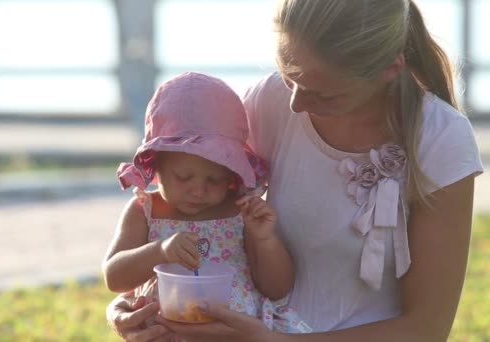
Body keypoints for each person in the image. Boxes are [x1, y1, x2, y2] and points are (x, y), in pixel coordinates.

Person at [107, 0, 484, 341]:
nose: (296, 102)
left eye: (324, 95)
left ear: (389, 70)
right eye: (289, 75)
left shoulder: (439, 138)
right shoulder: (270, 101)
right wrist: (125, 309)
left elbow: (425, 329)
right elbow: (196, 207)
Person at [103, 72, 311, 340]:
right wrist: (160, 251)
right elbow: (115, 278)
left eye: (215, 179)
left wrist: (265, 239)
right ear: (156, 166)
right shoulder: (145, 210)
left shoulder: (241, 211)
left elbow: (277, 288)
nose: (198, 191)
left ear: (232, 174)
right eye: (183, 177)